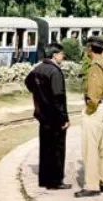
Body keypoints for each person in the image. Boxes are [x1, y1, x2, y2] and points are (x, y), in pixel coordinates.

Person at [24, 42, 70, 189]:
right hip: (55, 116)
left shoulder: (38, 69)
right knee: (57, 148)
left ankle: (44, 179)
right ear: (54, 55)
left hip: (42, 114)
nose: (63, 56)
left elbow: (28, 82)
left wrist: (39, 94)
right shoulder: (55, 71)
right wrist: (64, 117)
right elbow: (58, 97)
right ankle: (55, 180)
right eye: (61, 54)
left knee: (45, 147)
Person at [75, 37, 103, 197]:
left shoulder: (96, 66)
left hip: (97, 108)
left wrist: (89, 109)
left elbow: (94, 92)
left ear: (90, 49)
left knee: (90, 148)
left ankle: (92, 185)